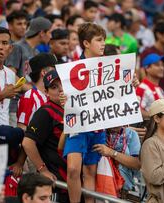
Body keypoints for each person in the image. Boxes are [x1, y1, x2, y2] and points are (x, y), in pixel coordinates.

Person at [63, 22, 106, 203]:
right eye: (99, 40)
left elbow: (118, 96)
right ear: (86, 43)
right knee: (73, 168)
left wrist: (130, 84)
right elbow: (63, 94)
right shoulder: (72, 68)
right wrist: (62, 99)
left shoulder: (110, 67)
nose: (103, 44)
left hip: (98, 125)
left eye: (104, 40)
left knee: (90, 171)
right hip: (77, 125)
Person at [22, 70, 69, 202]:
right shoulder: (45, 112)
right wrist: (43, 170)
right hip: (58, 184)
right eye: (54, 87)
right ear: (46, 92)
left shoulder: (74, 107)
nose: (60, 90)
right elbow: (27, 142)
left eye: (63, 84)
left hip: (75, 181)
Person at [93, 126, 141, 198]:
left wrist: (111, 153)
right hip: (101, 185)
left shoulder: (131, 134)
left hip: (123, 189)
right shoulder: (98, 132)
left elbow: (137, 164)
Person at [17, 53, 57, 130]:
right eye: (54, 70)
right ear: (44, 72)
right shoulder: (29, 97)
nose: (57, 73)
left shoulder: (51, 95)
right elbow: (22, 128)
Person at [136, 53, 164, 118]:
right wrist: (158, 118)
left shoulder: (160, 89)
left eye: (162, 65)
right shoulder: (142, 88)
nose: (161, 68)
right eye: (157, 65)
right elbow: (137, 111)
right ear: (147, 68)